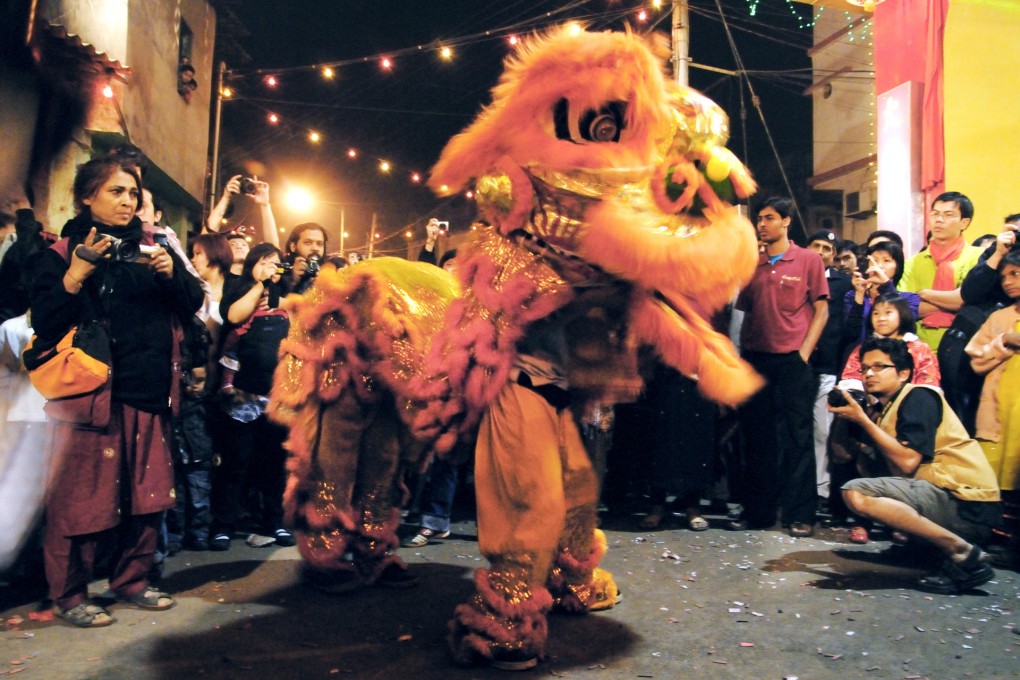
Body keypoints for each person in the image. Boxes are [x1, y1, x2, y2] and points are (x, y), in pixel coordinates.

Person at [29, 156, 203, 627]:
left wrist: (172, 273)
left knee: (148, 500)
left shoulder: (155, 248)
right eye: (116, 192)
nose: (129, 202)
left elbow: (194, 305)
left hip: (149, 394)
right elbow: (44, 321)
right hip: (90, 400)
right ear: (88, 196)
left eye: (133, 193)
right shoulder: (61, 252)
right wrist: (78, 273)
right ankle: (69, 595)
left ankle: (131, 582)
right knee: (81, 503)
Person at [830, 337, 1002, 595]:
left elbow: (907, 463)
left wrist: (865, 423)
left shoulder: (918, 396)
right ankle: (934, 552)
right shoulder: (882, 411)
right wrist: (846, 420)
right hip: (945, 496)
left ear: (903, 373)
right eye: (865, 368)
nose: (869, 374)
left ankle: (960, 550)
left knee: (856, 492)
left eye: (879, 367)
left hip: (967, 502)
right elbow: (842, 456)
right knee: (865, 481)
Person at [730, 197, 829, 537]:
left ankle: (800, 515)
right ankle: (758, 511)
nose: (761, 224)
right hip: (756, 359)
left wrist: (803, 354)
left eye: (769, 218)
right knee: (756, 438)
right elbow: (745, 313)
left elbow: (822, 311)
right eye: (759, 218)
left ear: (786, 221)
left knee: (797, 438)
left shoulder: (808, 260)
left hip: (792, 361)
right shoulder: (751, 263)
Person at [209, 243, 294, 551]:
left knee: (274, 465)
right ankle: (223, 525)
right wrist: (260, 284)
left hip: (278, 399)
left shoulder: (285, 304)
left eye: (276, 263)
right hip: (242, 399)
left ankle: (274, 522)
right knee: (235, 463)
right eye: (263, 262)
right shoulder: (240, 291)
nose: (271, 267)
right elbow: (233, 318)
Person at [899, 191, 985, 352]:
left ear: (964, 222)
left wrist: (924, 294)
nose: (939, 219)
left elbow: (969, 300)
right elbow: (905, 309)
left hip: (965, 344)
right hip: (919, 348)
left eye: (948, 215)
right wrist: (953, 301)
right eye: (935, 213)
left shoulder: (977, 257)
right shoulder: (913, 262)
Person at [966, 248, 1020, 496]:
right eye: (1004, 277)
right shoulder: (999, 318)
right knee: (996, 486)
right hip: (999, 414)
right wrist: (1004, 342)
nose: (1008, 282)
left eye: (1015, 274)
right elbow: (976, 361)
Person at [806, 229, 853, 506]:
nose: (821, 252)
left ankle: (821, 491)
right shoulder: (797, 275)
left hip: (827, 367)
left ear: (833, 255)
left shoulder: (843, 284)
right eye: (816, 245)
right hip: (799, 365)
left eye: (827, 248)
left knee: (823, 430)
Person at [843, 240, 921, 346]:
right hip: (860, 356)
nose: (879, 265)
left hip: (896, 355)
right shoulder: (853, 295)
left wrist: (886, 284)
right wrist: (859, 294)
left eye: (886, 260)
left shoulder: (910, 299)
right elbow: (850, 334)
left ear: (898, 267)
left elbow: (906, 326)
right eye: (874, 260)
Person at [205, 174, 279, 249]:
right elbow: (206, 238)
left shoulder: (256, 260)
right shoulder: (217, 260)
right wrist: (226, 197)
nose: (239, 247)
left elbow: (273, 249)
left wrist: (265, 205)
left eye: (244, 245)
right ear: (225, 252)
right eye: (233, 244)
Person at [283, 222, 327, 293]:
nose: (315, 248)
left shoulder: (331, 270)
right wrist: (292, 281)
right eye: (308, 243)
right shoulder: (282, 269)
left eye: (319, 244)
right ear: (293, 246)